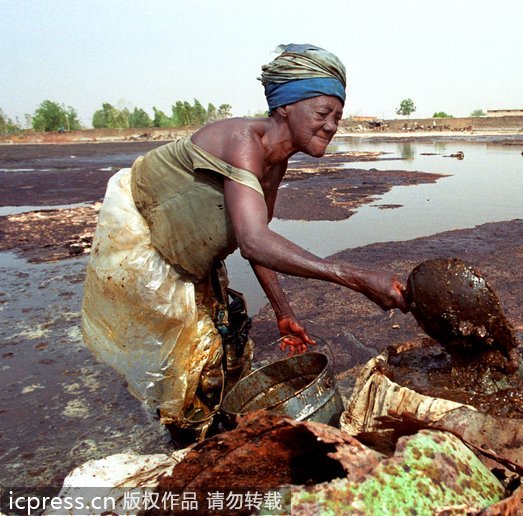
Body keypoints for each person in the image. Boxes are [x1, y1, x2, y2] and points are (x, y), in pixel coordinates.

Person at [81, 44, 407, 441]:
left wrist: (283, 312)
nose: (332, 126)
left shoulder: (276, 161)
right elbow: (253, 242)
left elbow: (254, 236)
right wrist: (357, 278)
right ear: (285, 107)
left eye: (338, 116)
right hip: (146, 251)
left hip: (194, 253)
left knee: (228, 342)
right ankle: (191, 458)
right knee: (195, 372)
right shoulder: (242, 140)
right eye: (323, 113)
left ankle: (209, 439)